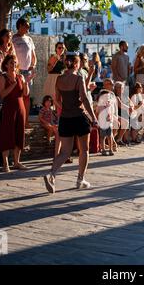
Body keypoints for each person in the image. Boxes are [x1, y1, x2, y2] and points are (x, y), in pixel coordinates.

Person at [43, 53, 98, 194]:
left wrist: (66, 107)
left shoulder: (59, 80)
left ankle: (52, 174)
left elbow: (57, 100)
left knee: (64, 152)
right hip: (79, 117)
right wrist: (93, 118)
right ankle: (80, 179)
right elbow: (85, 99)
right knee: (84, 150)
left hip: (65, 118)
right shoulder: (78, 79)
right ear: (76, 64)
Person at [0, 55, 32, 172]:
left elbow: (25, 93)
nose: (14, 65)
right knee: (6, 134)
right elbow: (2, 94)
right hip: (8, 108)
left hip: (20, 108)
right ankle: (5, 163)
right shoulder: (2, 77)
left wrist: (26, 83)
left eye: (15, 63)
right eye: (11, 63)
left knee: (19, 134)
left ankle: (17, 162)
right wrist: (13, 84)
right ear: (6, 64)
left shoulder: (20, 76)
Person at [12, 18, 37, 128]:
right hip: (17, 71)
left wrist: (33, 65)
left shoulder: (29, 39)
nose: (28, 28)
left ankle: (25, 121)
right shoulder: (13, 38)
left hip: (27, 71)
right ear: (20, 26)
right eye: (26, 26)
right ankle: (17, 121)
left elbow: (33, 56)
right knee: (17, 96)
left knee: (27, 96)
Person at [97, 78, 116, 156]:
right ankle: (103, 149)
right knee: (103, 135)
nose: (112, 85)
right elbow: (97, 111)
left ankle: (111, 149)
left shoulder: (111, 96)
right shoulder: (102, 95)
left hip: (109, 119)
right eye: (109, 84)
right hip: (102, 120)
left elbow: (112, 108)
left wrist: (114, 117)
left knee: (109, 135)